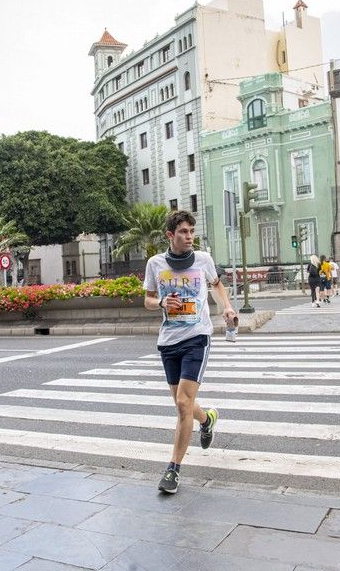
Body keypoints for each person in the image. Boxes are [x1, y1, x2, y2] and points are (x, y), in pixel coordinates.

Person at [143, 210, 237, 494]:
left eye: (192, 232)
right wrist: (161, 303)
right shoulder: (155, 264)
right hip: (168, 341)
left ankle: (173, 469)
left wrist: (228, 307)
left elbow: (217, 285)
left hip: (197, 337)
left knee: (183, 404)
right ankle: (207, 419)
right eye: (183, 232)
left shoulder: (203, 260)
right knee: (182, 404)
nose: (189, 237)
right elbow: (147, 300)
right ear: (170, 235)